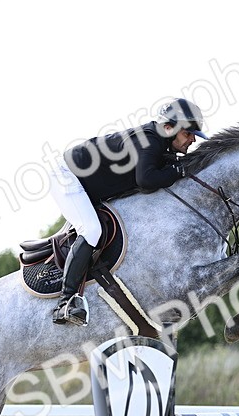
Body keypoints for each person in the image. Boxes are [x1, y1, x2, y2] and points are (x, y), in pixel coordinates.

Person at [49, 98, 208, 325]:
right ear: (169, 128)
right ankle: (65, 303)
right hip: (67, 176)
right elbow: (146, 180)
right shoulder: (150, 142)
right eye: (188, 134)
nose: (192, 139)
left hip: (87, 184)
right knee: (92, 229)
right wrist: (180, 170)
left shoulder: (159, 143)